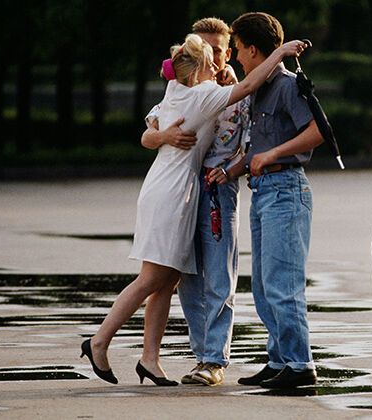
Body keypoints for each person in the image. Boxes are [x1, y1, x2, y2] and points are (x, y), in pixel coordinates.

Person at [80, 33, 307, 386]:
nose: (218, 63)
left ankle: (150, 360)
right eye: (211, 58)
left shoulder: (178, 90)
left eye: (221, 54)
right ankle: (98, 341)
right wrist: (279, 52)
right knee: (154, 277)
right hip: (174, 191)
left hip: (179, 187)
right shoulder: (203, 95)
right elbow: (247, 86)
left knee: (168, 278)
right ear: (200, 65)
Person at [141, 17, 248, 387]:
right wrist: (165, 136)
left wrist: (233, 170)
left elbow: (252, 143)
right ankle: (201, 354)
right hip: (183, 191)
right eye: (203, 51)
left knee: (219, 274)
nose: (211, 59)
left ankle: (215, 359)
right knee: (187, 278)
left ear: (228, 52)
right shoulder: (184, 86)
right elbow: (149, 132)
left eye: (217, 51)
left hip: (218, 189)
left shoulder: (238, 93)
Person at [230, 12, 324, 389]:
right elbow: (257, 146)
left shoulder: (287, 85)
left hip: (286, 189)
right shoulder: (257, 88)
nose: (237, 58)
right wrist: (230, 170)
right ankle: (279, 359)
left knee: (283, 284)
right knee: (266, 286)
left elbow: (317, 132)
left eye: (238, 50)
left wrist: (271, 157)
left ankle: (301, 366)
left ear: (253, 50)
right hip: (264, 190)